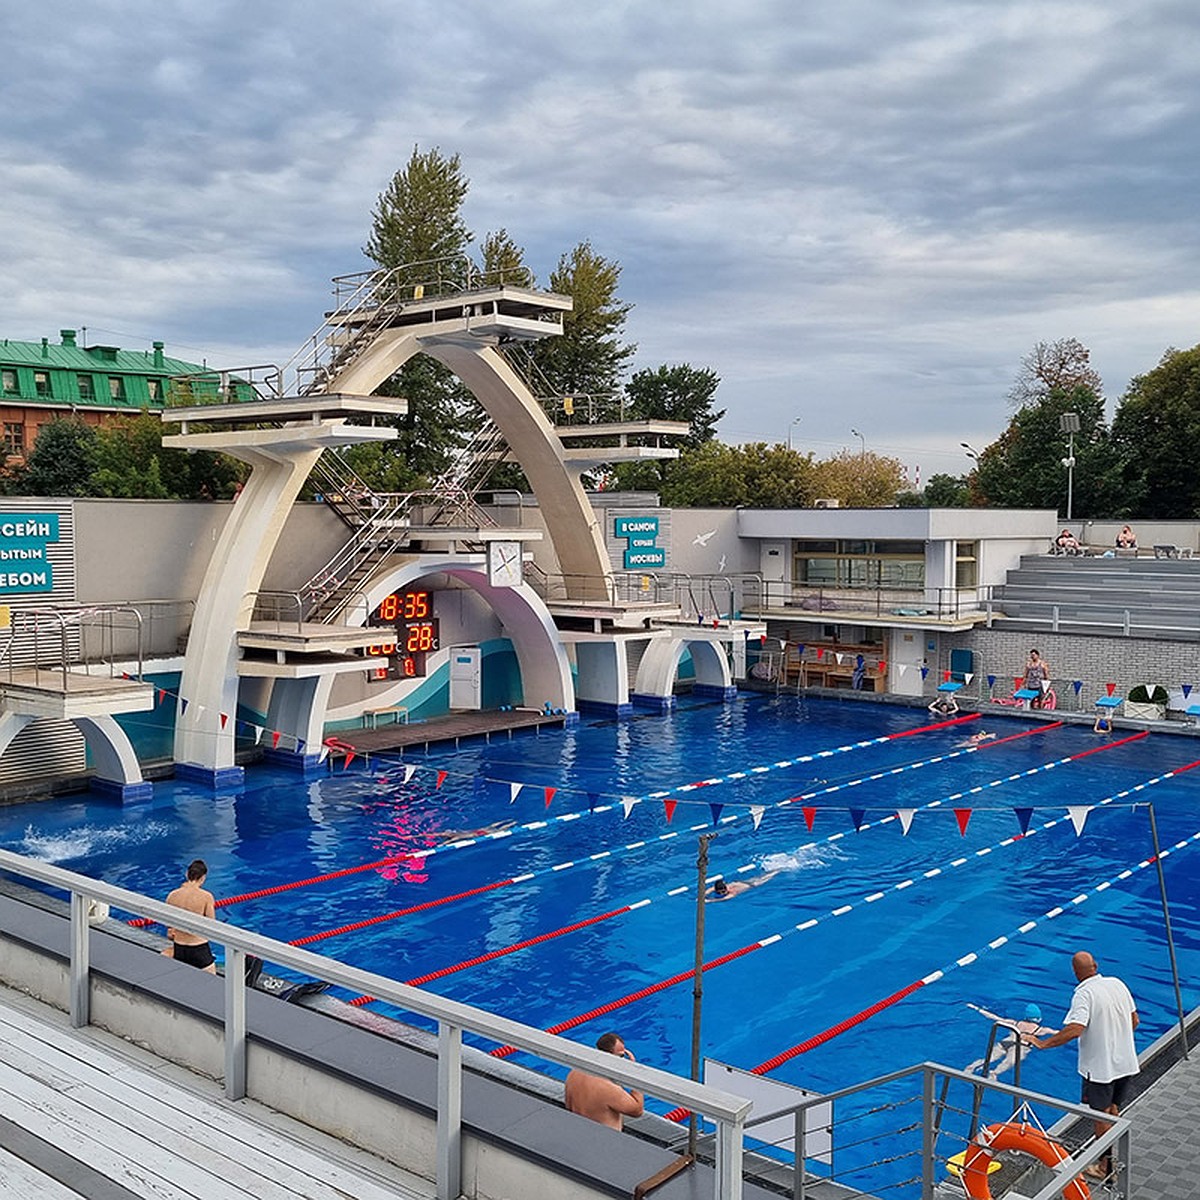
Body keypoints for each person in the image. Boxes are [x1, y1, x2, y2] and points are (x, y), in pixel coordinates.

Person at [1023, 950, 1139, 1181]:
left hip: (1100, 1068)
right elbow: (1134, 1020)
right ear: (1096, 965)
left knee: (1100, 1117)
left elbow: (1076, 1028)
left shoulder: (1084, 994)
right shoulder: (1117, 983)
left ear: (1075, 972)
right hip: (1126, 1061)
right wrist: (1115, 1040)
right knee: (1112, 1111)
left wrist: (1043, 1044)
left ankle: (1105, 1167)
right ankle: (1111, 1161)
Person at [564, 1032, 644, 1130]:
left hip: (578, 1130)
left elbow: (568, 1105)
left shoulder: (574, 1072)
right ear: (610, 1057)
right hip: (605, 1139)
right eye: (621, 1056)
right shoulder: (608, 1088)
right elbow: (637, 1110)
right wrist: (634, 1073)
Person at [965, 1002, 1057, 1078]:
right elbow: (1058, 1033)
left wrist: (976, 1008)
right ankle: (994, 1073)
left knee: (989, 1058)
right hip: (1021, 1047)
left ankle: (971, 1067)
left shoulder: (1014, 1023)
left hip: (1006, 1042)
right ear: (1039, 1018)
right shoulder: (1041, 1030)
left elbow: (994, 1017)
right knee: (1008, 1062)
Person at [164, 859, 217, 973]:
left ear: (186, 874)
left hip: (179, 947)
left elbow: (168, 927)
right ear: (203, 878)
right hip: (199, 948)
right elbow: (211, 925)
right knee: (212, 984)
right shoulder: (206, 896)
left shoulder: (172, 895)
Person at [707, 871, 779, 900]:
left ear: (726, 888)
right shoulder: (720, 886)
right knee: (763, 876)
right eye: (720, 892)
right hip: (744, 882)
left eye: (723, 891)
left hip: (753, 885)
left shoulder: (732, 892)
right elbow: (710, 889)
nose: (722, 893)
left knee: (767, 877)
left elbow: (724, 899)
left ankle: (778, 870)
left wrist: (709, 900)